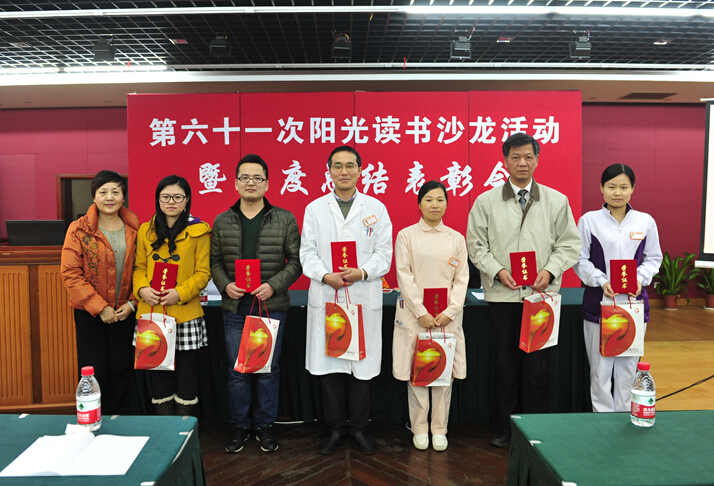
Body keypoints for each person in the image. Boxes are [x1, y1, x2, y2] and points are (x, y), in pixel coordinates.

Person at [467, 132, 581, 448]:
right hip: (503, 296)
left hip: (540, 298)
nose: (522, 163)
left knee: (538, 368)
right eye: (515, 157)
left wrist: (550, 270)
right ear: (505, 161)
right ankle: (504, 427)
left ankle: (535, 428)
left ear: (537, 160)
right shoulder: (486, 201)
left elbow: (569, 244)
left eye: (528, 157)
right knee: (504, 367)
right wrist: (497, 271)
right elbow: (476, 245)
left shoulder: (556, 201)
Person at [300, 145, 393, 456]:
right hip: (328, 294)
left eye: (350, 165)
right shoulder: (315, 209)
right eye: (337, 166)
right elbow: (307, 253)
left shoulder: (376, 208)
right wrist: (325, 275)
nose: (344, 171)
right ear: (329, 171)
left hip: (362, 296)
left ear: (360, 170)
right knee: (331, 369)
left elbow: (384, 253)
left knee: (361, 368)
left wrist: (362, 272)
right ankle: (335, 428)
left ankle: (360, 428)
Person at [211, 154, 301, 453]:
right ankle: (239, 425)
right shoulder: (222, 220)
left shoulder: (284, 218)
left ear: (267, 183)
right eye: (245, 177)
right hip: (236, 308)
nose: (251, 182)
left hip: (271, 307)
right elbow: (214, 261)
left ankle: (265, 425)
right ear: (236, 183)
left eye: (257, 178)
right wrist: (225, 284)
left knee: (267, 370)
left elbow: (296, 261)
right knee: (237, 371)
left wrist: (273, 285)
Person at [574, 164, 662, 413]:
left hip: (633, 305)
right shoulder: (589, 221)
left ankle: (624, 416)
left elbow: (654, 258)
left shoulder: (645, 221)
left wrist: (640, 278)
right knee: (600, 370)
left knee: (628, 367)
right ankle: (602, 419)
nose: (617, 192)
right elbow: (579, 259)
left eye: (624, 187)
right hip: (599, 304)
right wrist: (601, 280)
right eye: (611, 186)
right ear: (602, 188)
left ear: (632, 189)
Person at [392, 180, 469, 452]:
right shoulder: (406, 236)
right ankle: (419, 428)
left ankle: (439, 428)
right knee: (418, 372)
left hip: (447, 318)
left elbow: (462, 279)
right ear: (419, 204)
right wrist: (421, 311)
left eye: (440, 199)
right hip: (416, 317)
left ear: (446, 204)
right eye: (428, 199)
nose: (434, 205)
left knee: (443, 374)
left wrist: (450, 311)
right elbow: (404, 276)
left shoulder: (456, 239)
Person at [61, 170, 141, 416]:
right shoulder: (78, 229)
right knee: (93, 372)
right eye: (103, 192)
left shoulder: (136, 229)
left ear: (123, 197)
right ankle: (93, 421)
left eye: (115, 192)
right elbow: (71, 273)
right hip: (90, 314)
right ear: (94, 196)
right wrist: (101, 307)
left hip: (124, 312)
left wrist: (133, 303)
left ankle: (120, 423)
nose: (109, 197)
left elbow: (143, 269)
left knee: (122, 370)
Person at [133, 175, 211, 416]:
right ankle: (163, 425)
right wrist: (142, 290)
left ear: (187, 200)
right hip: (152, 312)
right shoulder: (145, 230)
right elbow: (138, 268)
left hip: (185, 313)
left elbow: (203, 273)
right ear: (158, 199)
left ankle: (184, 427)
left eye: (177, 197)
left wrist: (180, 293)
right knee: (158, 373)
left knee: (187, 373)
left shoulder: (199, 231)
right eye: (165, 197)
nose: (171, 202)